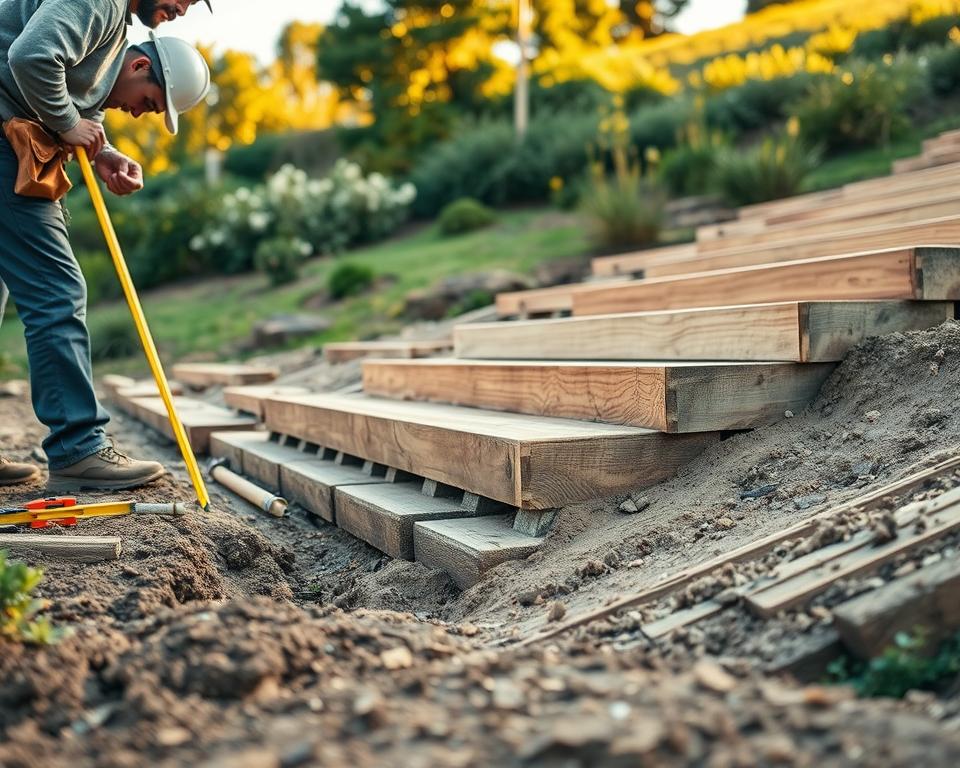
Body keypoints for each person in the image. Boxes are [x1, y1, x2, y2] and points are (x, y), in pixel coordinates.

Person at [0, 0, 212, 491]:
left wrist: (103, 151)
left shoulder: (111, 33)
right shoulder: (101, 2)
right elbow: (32, 59)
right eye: (150, 102)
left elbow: (67, 86)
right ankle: (79, 449)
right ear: (140, 66)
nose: (139, 114)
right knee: (56, 291)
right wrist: (70, 124)